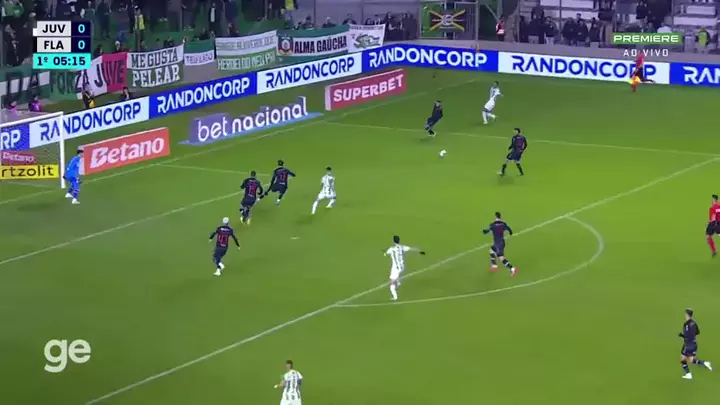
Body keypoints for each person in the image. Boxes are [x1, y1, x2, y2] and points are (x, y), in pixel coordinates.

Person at [385, 235, 425, 301]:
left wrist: (385, 253)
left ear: (393, 241)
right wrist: (420, 251)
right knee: (397, 274)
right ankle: (398, 282)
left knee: (391, 282)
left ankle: (395, 297)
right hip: (402, 267)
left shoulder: (391, 249)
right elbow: (412, 249)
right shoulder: (402, 247)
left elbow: (386, 253)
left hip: (396, 268)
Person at [678, 308, 712, 379]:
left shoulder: (687, 324)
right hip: (694, 344)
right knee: (692, 360)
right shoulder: (694, 323)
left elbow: (687, 335)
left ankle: (688, 374)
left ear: (687, 315)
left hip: (688, 345)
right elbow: (697, 332)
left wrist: (682, 335)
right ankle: (705, 363)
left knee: (682, 359)